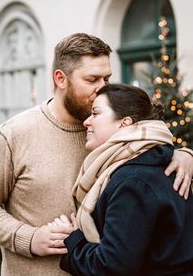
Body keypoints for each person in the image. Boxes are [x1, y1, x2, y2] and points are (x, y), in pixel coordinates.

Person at [0, 34, 193, 276]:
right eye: (92, 79)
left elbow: (148, 145)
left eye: (107, 78)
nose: (102, 88)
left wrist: (183, 154)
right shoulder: (14, 134)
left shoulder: (110, 130)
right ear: (61, 79)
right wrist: (28, 238)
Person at [58, 84, 193, 276]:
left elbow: (112, 267)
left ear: (124, 122)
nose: (87, 122)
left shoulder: (134, 181)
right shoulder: (158, 162)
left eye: (96, 113)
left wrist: (72, 240)